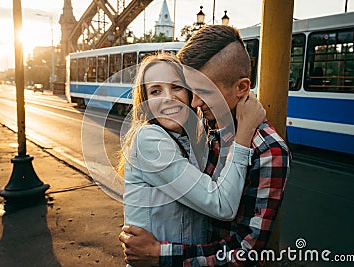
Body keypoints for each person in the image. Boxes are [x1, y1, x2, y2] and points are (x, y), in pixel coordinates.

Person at [119, 25, 291, 266]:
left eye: (202, 92)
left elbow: (245, 251)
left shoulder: (267, 150)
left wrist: (160, 254)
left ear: (241, 88)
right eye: (191, 90)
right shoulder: (202, 126)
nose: (195, 102)